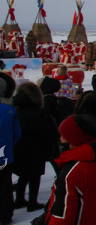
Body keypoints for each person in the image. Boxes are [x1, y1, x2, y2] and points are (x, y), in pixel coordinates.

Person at [12, 82, 57, 212]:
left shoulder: (15, 110)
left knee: (23, 175)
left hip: (18, 146)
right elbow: (46, 131)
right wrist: (51, 147)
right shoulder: (39, 112)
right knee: (34, 175)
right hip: (36, 147)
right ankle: (32, 201)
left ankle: (19, 199)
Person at [0, 91, 22, 225]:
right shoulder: (10, 111)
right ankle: (5, 215)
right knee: (5, 185)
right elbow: (17, 134)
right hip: (4, 154)